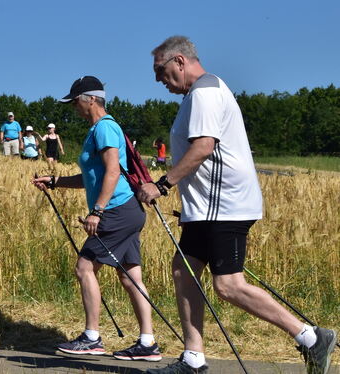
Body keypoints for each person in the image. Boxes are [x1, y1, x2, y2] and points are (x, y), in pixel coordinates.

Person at [138, 36, 336, 374]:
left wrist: (161, 185)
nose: (159, 80)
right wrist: (192, 207)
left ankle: (310, 337)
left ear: (180, 61)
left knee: (228, 285)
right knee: (183, 270)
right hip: (207, 209)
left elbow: (202, 148)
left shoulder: (205, 92)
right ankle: (193, 359)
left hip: (225, 206)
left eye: (162, 71)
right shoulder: (198, 94)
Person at [33, 75, 161, 362]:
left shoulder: (104, 128)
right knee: (130, 277)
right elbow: (91, 178)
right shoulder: (101, 129)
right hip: (127, 210)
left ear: (90, 99)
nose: (73, 107)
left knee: (84, 267)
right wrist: (55, 181)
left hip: (116, 210)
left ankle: (91, 338)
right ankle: (148, 342)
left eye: (75, 101)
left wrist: (97, 211)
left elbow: (113, 172)